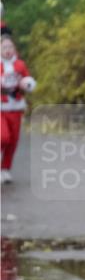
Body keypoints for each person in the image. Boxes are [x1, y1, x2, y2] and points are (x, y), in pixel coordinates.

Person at [1, 35, 36, 184]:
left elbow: (28, 81)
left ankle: (5, 169)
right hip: (1, 107)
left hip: (15, 106)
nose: (8, 50)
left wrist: (26, 84)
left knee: (13, 140)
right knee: (3, 137)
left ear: (14, 49)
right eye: (4, 47)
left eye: (10, 47)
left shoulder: (20, 65)